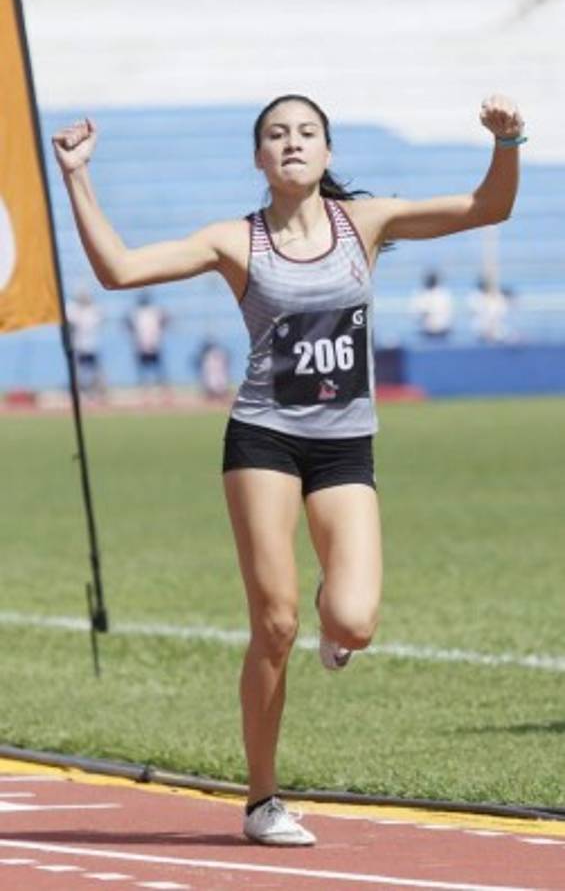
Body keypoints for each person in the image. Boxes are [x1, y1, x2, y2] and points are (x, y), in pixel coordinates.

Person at [52, 92, 525, 846]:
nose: (293, 142)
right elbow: (118, 270)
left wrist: (508, 143)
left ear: (328, 152)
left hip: (344, 446)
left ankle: (334, 620)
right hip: (264, 438)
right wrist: (77, 175)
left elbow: (486, 208)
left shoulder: (364, 224)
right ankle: (262, 800)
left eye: (307, 132)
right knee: (274, 624)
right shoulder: (235, 241)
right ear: (259, 157)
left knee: (353, 621)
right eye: (277, 134)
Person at [66, 288, 105, 397]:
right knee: (77, 371)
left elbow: (100, 319)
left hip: (91, 345)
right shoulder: (73, 309)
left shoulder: (93, 310)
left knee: (96, 371)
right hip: (78, 345)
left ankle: (99, 391)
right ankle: (78, 392)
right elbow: (70, 325)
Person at [125, 292, 169, 386]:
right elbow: (128, 323)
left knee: (157, 368)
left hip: (152, 343)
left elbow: (165, 319)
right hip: (143, 343)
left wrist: (160, 332)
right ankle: (147, 388)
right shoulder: (138, 312)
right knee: (146, 369)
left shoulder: (153, 311)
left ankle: (162, 387)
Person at [411, 268, 454, 339]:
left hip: (442, 330)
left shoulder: (444, 293)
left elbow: (449, 313)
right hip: (427, 330)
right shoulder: (421, 294)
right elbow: (416, 314)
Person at [468, 274, 511, 343]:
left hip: (497, 332)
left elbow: (499, 315)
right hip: (482, 332)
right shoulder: (475, 297)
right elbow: (477, 315)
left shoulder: (499, 298)